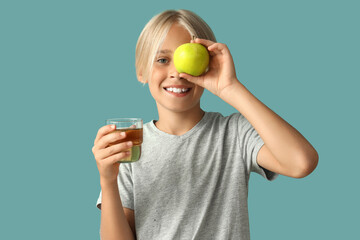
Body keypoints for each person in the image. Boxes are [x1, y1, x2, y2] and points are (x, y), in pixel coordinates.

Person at [92, 9, 319, 240]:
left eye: (186, 57)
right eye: (162, 60)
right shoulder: (131, 145)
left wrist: (230, 88)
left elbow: (301, 163)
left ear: (208, 64)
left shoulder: (235, 133)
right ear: (141, 71)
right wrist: (108, 181)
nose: (177, 72)